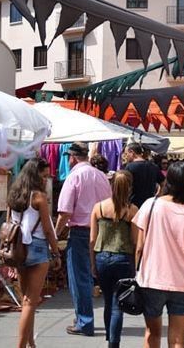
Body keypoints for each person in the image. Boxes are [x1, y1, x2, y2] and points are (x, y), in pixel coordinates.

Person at [133, 161, 184, 348]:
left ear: (168, 181)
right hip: (182, 283)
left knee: (152, 334)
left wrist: (137, 273)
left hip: (151, 279)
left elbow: (139, 247)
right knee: (177, 339)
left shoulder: (151, 205)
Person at [55, 143, 111, 337]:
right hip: (103, 230)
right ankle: (94, 319)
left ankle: (84, 321)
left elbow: (64, 212)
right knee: (97, 276)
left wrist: (55, 234)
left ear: (72, 157)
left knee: (80, 278)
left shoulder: (74, 176)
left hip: (81, 232)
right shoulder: (101, 176)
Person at [8, 158, 61, 348]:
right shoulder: (39, 197)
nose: (46, 179)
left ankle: (30, 342)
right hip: (37, 247)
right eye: (44, 175)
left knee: (26, 300)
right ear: (35, 174)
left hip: (18, 248)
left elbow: (9, 224)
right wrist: (55, 253)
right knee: (31, 301)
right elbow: (48, 229)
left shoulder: (14, 194)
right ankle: (21, 345)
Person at [89, 171, 139, 347]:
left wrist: (93, 262)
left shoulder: (99, 208)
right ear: (129, 187)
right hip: (123, 258)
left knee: (108, 301)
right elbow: (135, 242)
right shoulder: (132, 211)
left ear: (111, 186)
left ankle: (109, 338)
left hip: (102, 256)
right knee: (119, 304)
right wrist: (137, 265)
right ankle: (113, 343)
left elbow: (92, 240)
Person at [124, 143, 165, 208]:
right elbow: (163, 183)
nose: (126, 156)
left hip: (134, 205)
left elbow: (124, 187)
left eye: (126, 154)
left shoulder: (129, 167)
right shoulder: (154, 166)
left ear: (132, 152)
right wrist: (158, 196)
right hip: (150, 205)